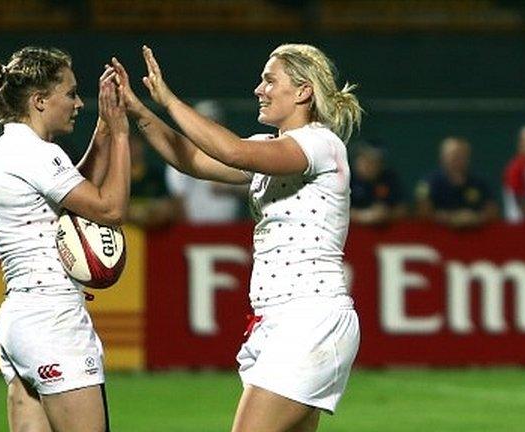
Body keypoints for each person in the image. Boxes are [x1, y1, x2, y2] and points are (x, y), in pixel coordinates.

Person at [113, 44, 361, 432]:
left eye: (269, 80)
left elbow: (231, 151)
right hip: (281, 318)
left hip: (309, 316)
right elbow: (192, 160)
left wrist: (168, 100)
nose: (258, 89)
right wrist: (140, 111)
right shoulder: (272, 149)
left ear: (303, 92)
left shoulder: (319, 144)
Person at [0, 46, 130, 432]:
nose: (78, 103)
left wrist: (104, 129)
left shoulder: (6, 150)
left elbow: (71, 191)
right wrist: (123, 135)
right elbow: (109, 209)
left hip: (20, 318)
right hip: (53, 319)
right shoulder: (34, 152)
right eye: (71, 93)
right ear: (40, 100)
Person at [165, 99, 246, 224]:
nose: (210, 127)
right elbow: (178, 199)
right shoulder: (184, 156)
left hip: (232, 229)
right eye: (206, 121)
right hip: (197, 231)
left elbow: (255, 187)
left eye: (214, 121)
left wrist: (231, 189)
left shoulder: (236, 153)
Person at [414, 136, 497, 229]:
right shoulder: (426, 183)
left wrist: (475, 218)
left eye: (462, 155)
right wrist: (451, 218)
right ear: (443, 157)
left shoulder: (480, 182)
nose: (458, 159)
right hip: (438, 236)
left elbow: (492, 210)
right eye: (454, 155)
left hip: (475, 236)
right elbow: (422, 212)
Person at [127, 132, 183, 229]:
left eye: (136, 144)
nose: (133, 149)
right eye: (129, 145)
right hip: (125, 232)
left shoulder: (156, 173)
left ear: (143, 146)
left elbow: (169, 205)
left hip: (156, 233)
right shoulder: (115, 175)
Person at [349, 143, 406, 226]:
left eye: (375, 161)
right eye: (365, 159)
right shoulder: (346, 179)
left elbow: (403, 209)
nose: (369, 165)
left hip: (385, 234)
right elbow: (333, 211)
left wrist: (386, 214)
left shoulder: (389, 178)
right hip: (351, 234)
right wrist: (363, 216)